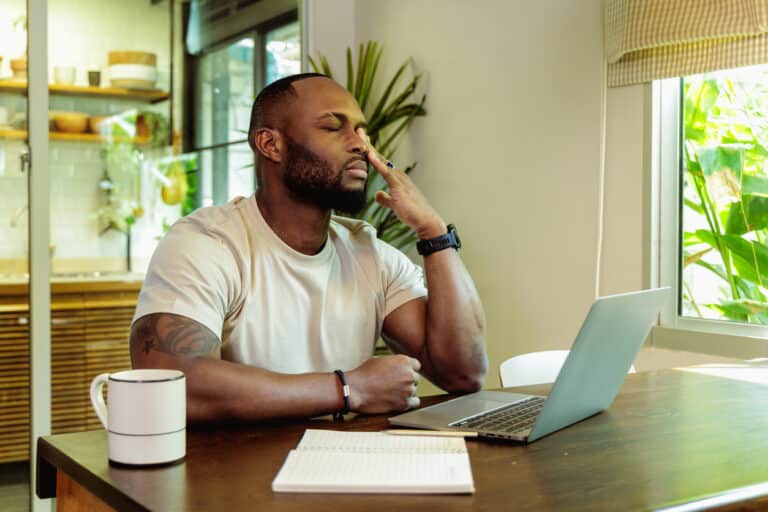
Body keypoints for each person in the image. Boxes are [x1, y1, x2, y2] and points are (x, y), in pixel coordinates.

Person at [129, 73, 487, 422]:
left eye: (363, 131)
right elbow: (172, 385)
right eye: (334, 127)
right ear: (271, 144)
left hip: (344, 467)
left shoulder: (370, 254)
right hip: (234, 475)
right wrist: (348, 390)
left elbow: (462, 374)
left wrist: (434, 232)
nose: (361, 145)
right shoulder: (205, 244)